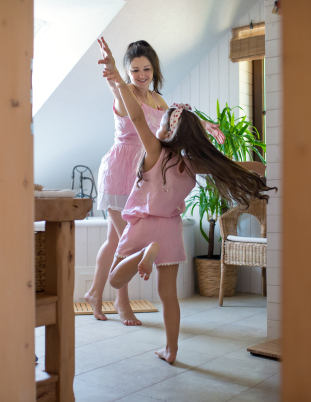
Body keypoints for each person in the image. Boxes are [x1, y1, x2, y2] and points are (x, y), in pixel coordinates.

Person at [101, 66, 275, 363]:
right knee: (169, 294)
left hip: (143, 225)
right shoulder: (192, 164)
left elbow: (137, 117)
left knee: (117, 281)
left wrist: (119, 81)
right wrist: (266, 169)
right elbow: (242, 167)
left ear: (168, 130)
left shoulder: (155, 150)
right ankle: (171, 350)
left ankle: (141, 255)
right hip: (170, 229)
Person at [84, 38, 225, 326]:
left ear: (154, 69)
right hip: (120, 170)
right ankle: (121, 303)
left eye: (146, 68)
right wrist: (112, 73)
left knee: (115, 239)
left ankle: (95, 293)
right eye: (134, 70)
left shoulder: (159, 100)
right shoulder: (124, 93)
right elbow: (117, 89)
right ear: (127, 72)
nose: (141, 75)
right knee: (125, 242)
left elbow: (177, 120)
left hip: (145, 172)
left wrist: (205, 125)